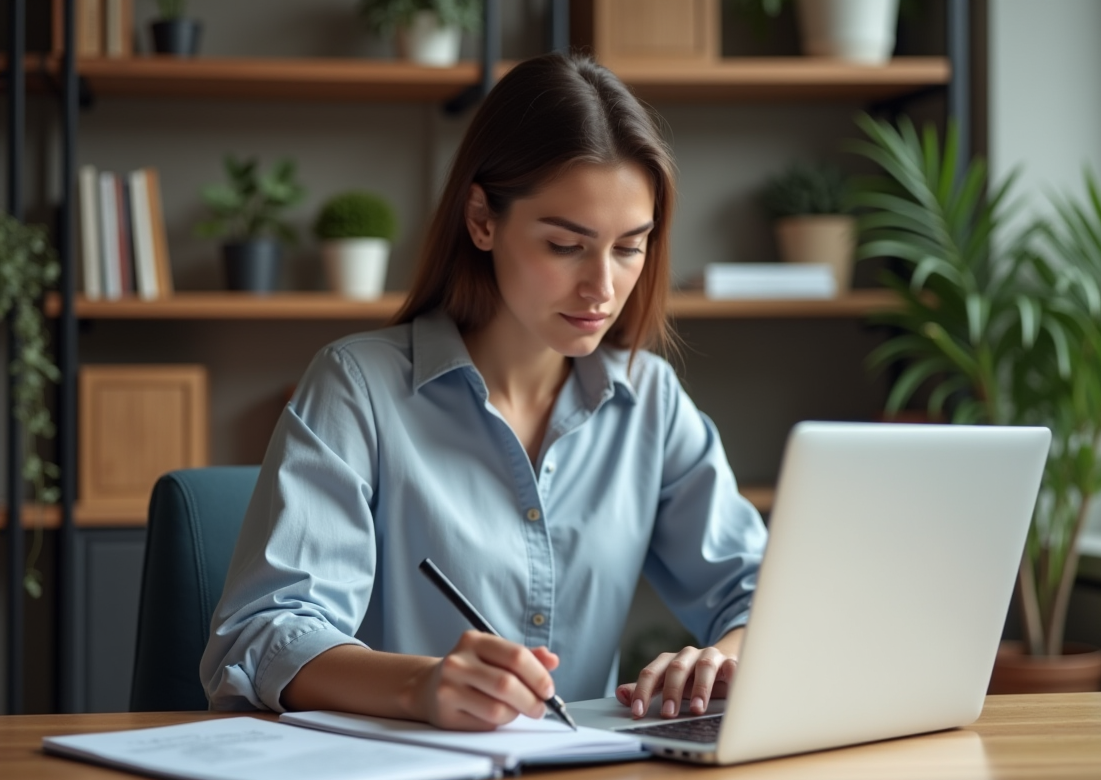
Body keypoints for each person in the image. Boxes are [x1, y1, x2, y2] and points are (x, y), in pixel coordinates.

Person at [200, 52, 768, 732]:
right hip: (405, 772)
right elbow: (263, 634)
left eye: (629, 248)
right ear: (481, 219)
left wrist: (724, 659)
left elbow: (763, 593)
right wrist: (422, 686)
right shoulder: (358, 387)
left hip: (582, 776)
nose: (603, 288)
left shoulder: (651, 400)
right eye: (565, 245)